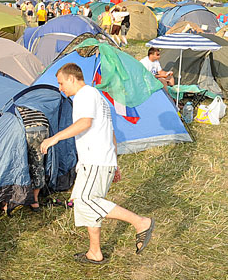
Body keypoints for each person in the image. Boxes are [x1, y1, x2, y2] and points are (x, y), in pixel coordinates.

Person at [40, 63, 154, 264]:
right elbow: (110, 132)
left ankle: (141, 222)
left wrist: (54, 138)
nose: (60, 88)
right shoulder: (97, 98)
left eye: (61, 83)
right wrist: (115, 162)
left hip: (95, 160)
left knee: (87, 200)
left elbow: (85, 123)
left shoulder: (85, 95)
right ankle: (94, 252)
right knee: (87, 204)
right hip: (100, 160)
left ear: (72, 79)